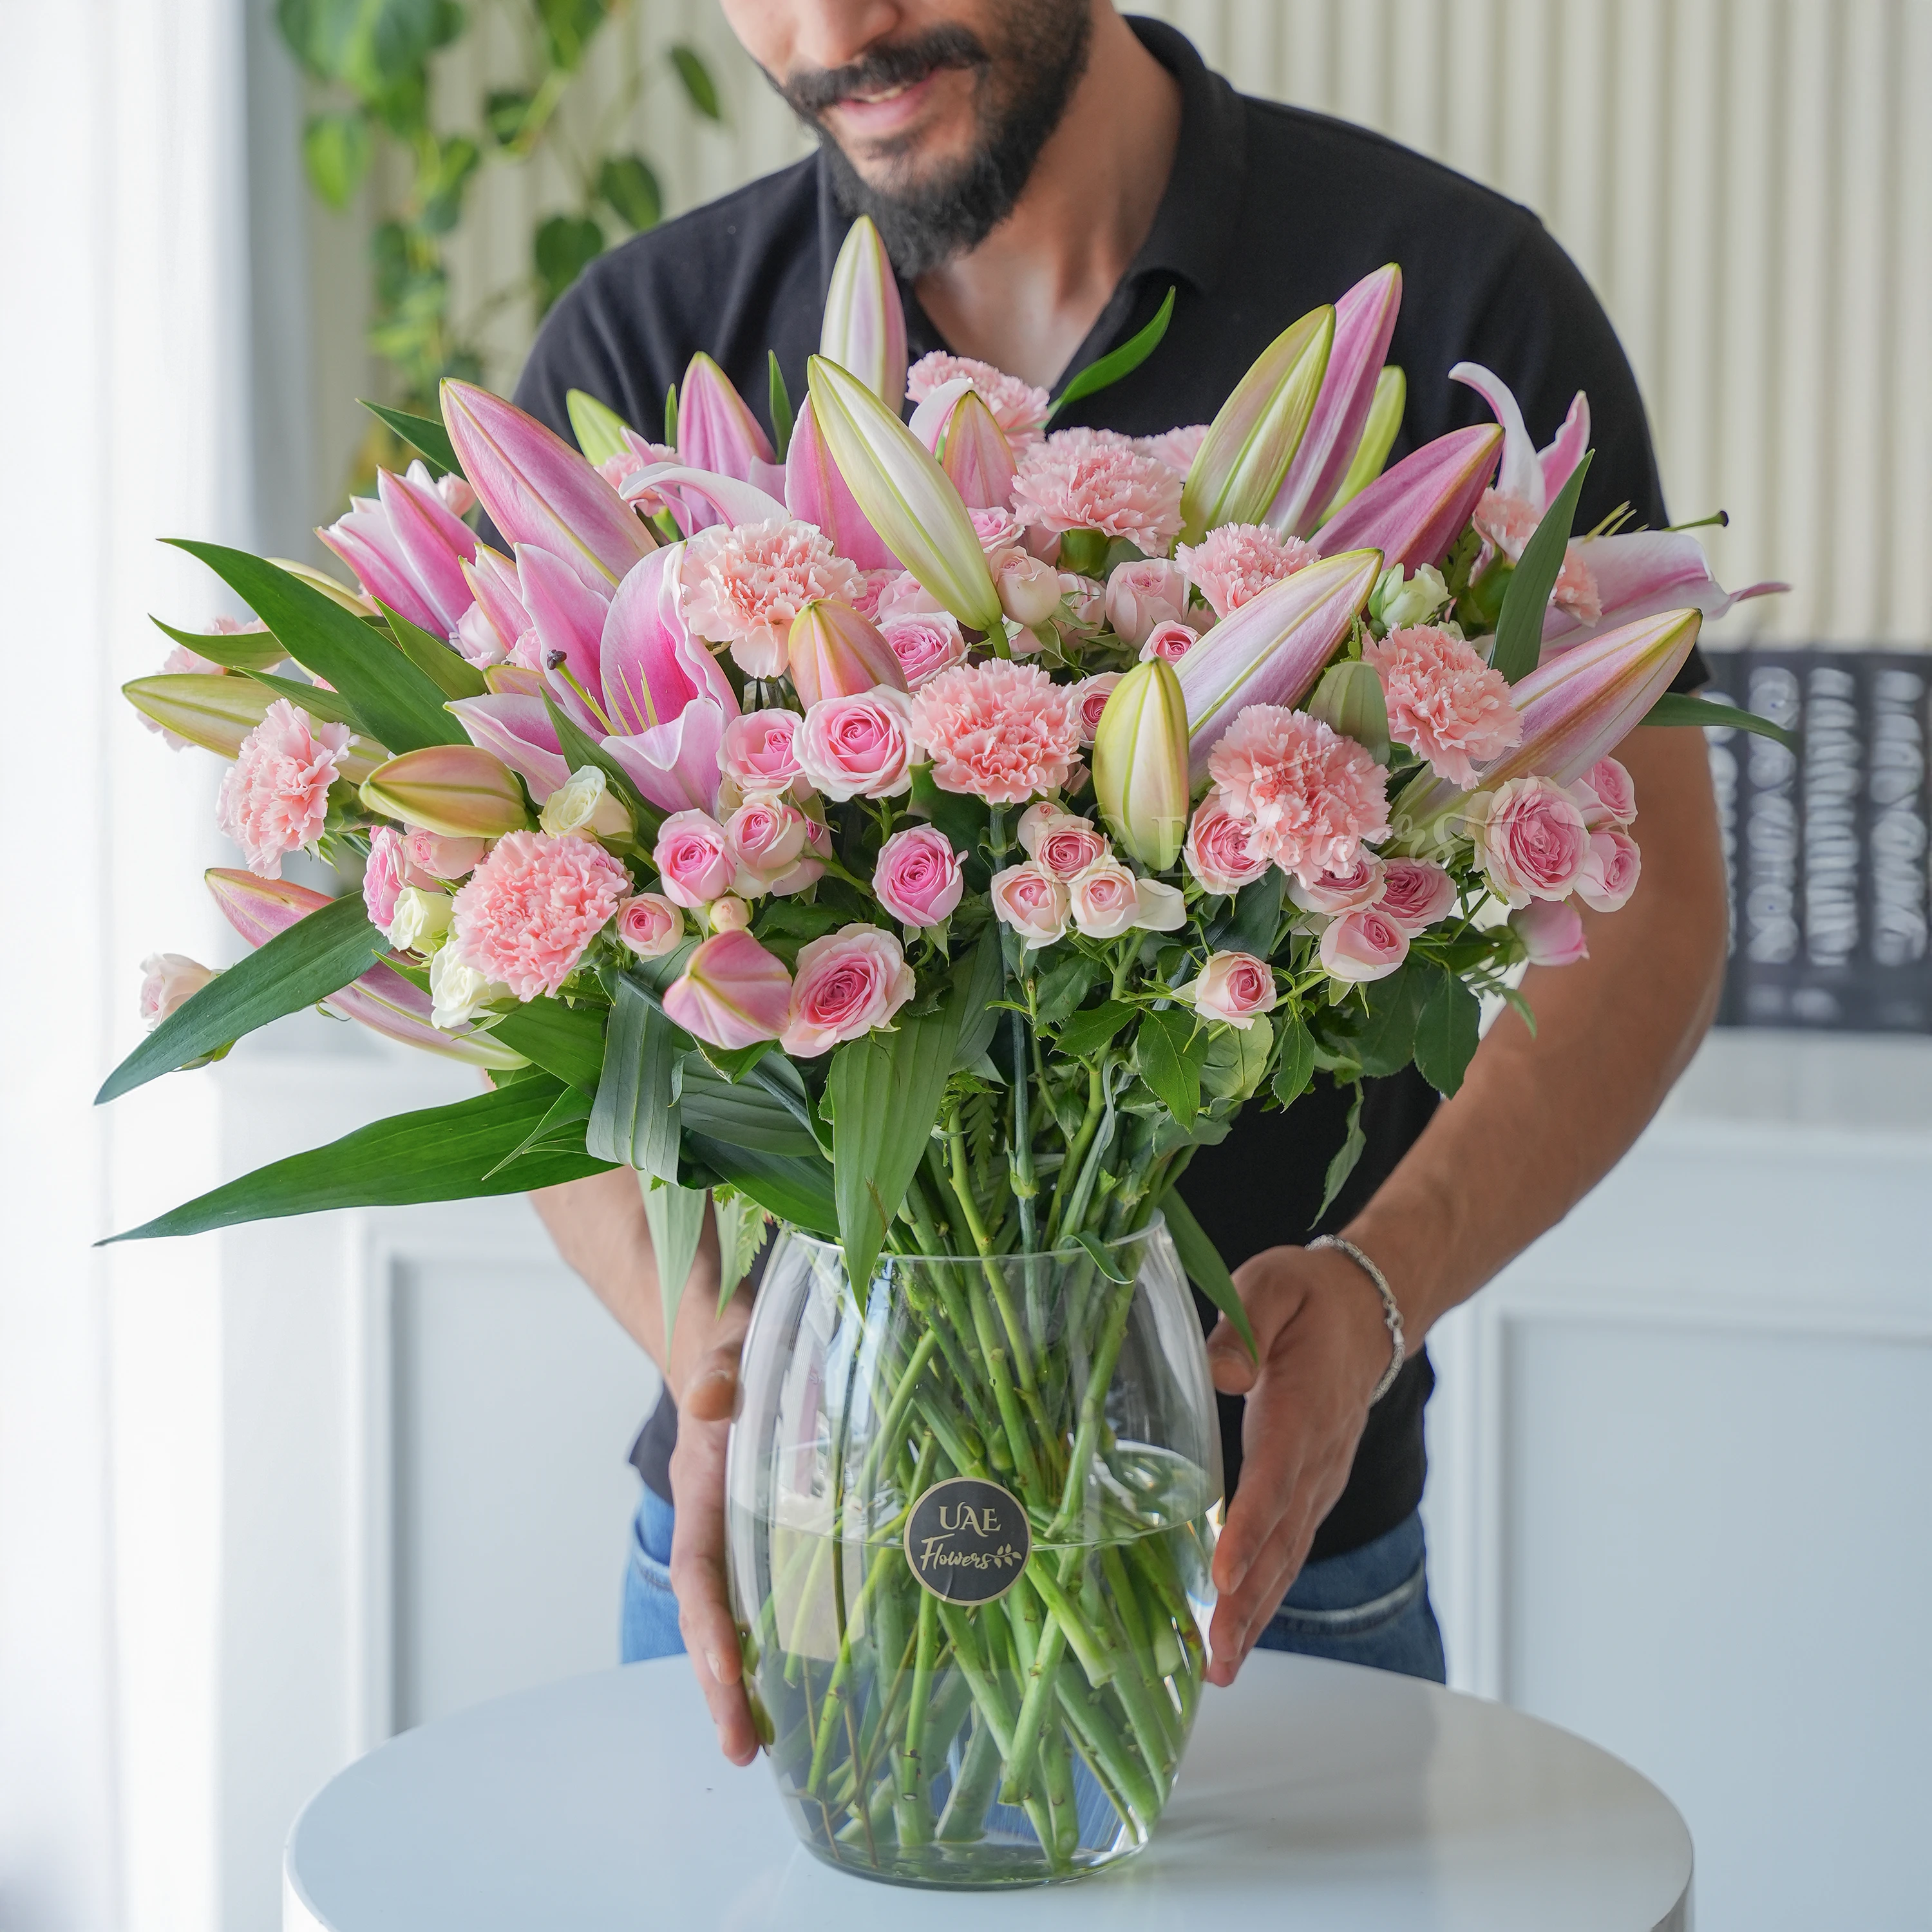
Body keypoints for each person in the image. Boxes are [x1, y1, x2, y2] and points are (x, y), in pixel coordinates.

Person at [520, 1, 1729, 1767]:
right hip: (790, 1543)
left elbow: (1654, 912)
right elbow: (533, 967)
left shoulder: (1451, 293)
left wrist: (1386, 1286)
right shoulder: (649, 345)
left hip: (1262, 1559)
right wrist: (707, 1361)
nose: (834, 30)